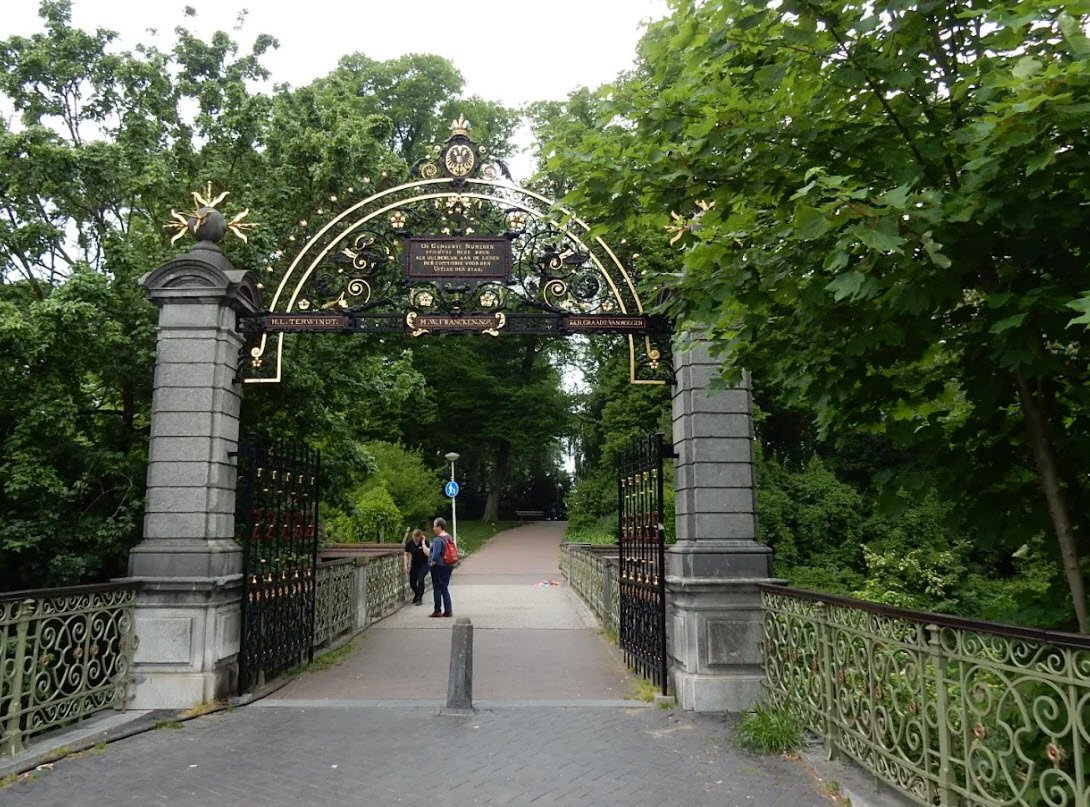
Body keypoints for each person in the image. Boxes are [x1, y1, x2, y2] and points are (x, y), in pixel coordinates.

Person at [428, 517, 455, 618]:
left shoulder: (438, 540)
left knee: (437, 588)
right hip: (448, 565)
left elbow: (435, 555)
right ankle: (448, 610)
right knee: (444, 587)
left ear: (439, 527)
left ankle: (437, 610)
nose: (433, 528)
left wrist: (431, 563)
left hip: (439, 566)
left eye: (434, 526)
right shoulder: (449, 537)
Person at [403, 528, 429, 606]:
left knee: (420, 579)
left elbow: (427, 553)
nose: (416, 540)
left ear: (421, 537)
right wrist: (405, 565)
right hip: (415, 564)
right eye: (414, 538)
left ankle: (419, 598)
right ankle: (417, 594)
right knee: (412, 582)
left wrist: (423, 542)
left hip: (424, 563)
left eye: (417, 538)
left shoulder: (425, 542)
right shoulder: (410, 543)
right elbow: (406, 553)